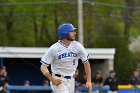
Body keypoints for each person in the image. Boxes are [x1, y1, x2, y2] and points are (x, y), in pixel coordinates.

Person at [40, 23, 92, 93]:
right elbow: (43, 67)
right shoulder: (54, 48)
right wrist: (52, 79)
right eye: (72, 31)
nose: (75, 33)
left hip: (71, 79)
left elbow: (86, 63)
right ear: (64, 33)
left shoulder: (77, 46)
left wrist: (89, 80)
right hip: (58, 79)